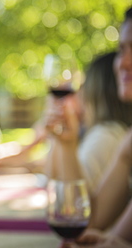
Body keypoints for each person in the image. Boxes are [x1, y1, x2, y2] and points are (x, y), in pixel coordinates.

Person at [76, 7, 132, 246]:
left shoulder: (107, 135)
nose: (124, 63)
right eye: (122, 49)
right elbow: (88, 223)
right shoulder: (129, 140)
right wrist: (65, 142)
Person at [45, 52, 132, 192]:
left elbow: (70, 200)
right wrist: (59, 139)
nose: (80, 92)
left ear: (96, 90)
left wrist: (66, 144)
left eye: (84, 85)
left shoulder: (106, 136)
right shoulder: (102, 133)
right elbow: (52, 179)